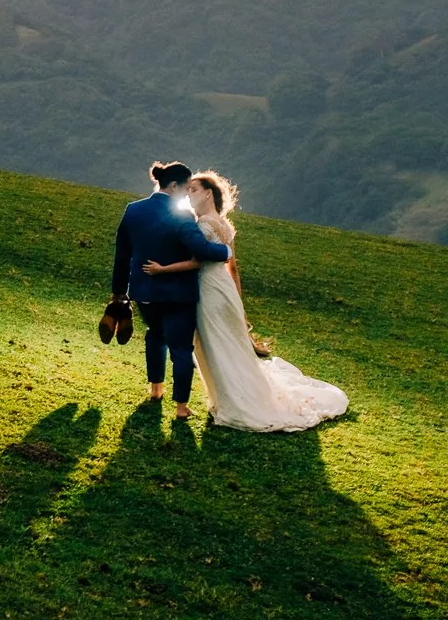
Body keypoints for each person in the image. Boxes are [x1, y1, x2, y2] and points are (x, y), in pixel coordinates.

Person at [141, 170, 347, 432]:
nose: (189, 194)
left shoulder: (202, 225)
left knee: (215, 344)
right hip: (225, 289)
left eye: (194, 189)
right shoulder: (226, 226)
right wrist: (238, 302)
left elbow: (196, 263)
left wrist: (162, 269)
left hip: (208, 290)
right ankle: (236, 394)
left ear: (208, 193)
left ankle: (233, 401)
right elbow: (233, 267)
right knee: (230, 343)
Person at [104, 161, 233, 420]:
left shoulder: (133, 210)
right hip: (178, 294)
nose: (187, 195)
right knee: (181, 348)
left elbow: (122, 255)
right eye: (185, 189)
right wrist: (227, 250)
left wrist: (119, 292)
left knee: (155, 335)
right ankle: (181, 407)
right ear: (174, 186)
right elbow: (201, 249)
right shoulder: (182, 216)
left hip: (144, 291)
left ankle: (156, 390)